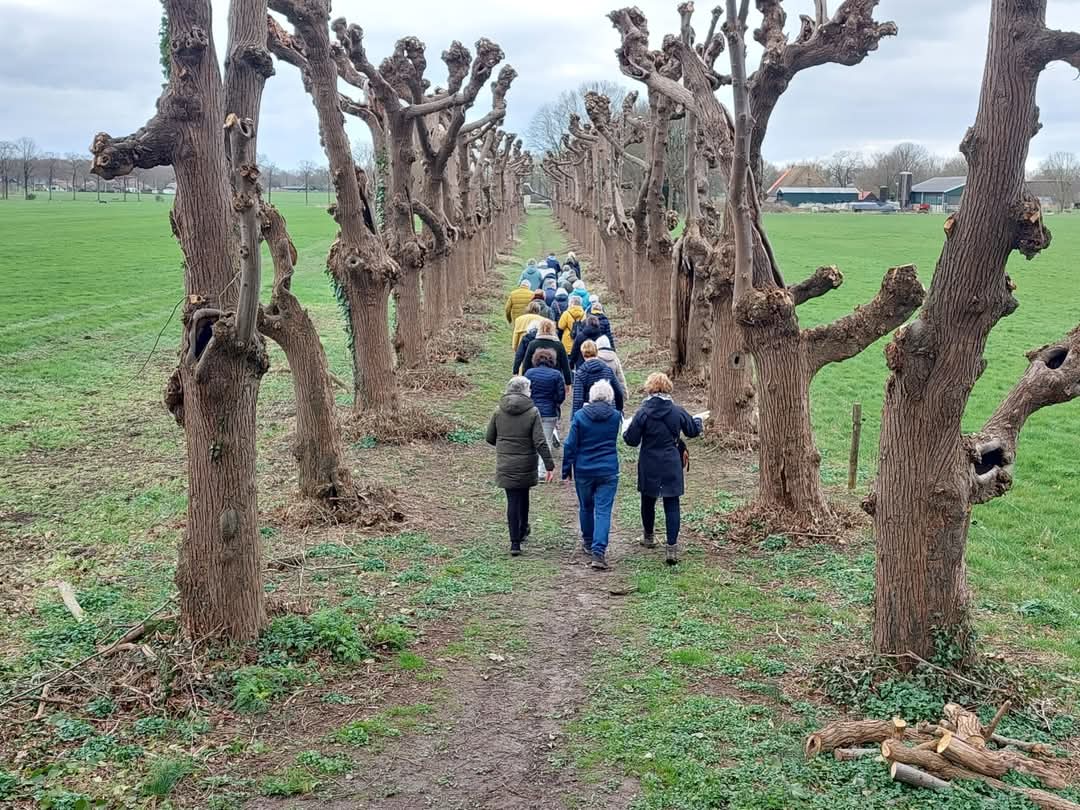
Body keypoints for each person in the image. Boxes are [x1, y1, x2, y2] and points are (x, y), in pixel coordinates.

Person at [623, 373, 703, 565]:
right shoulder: (677, 411)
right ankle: (672, 548)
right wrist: (699, 421)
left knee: (647, 500)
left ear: (649, 389)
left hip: (649, 460)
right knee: (672, 503)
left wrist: (625, 429)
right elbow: (693, 430)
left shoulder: (643, 412)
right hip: (671, 461)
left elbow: (631, 440)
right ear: (668, 388)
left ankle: (648, 537)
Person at [486, 376, 555, 556]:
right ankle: (523, 529)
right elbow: (540, 441)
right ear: (525, 391)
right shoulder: (532, 412)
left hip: (506, 463)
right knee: (523, 495)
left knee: (512, 500)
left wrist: (504, 446)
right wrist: (549, 465)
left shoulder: (498, 411)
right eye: (529, 389)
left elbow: (489, 437)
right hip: (526, 462)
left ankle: (514, 542)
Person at [562, 379, 621, 570]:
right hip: (608, 470)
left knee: (586, 507)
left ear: (591, 396)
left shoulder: (579, 416)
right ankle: (599, 551)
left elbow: (570, 444)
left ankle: (588, 541)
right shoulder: (615, 417)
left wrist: (566, 468)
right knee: (603, 510)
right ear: (610, 397)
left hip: (584, 469)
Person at [525, 349, 565, 480]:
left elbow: (525, 393)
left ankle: (530, 469)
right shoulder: (557, 375)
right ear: (552, 361)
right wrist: (554, 402)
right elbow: (561, 396)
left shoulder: (529, 373)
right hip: (549, 412)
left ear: (536, 360)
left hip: (531, 411)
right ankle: (542, 472)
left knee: (531, 440)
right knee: (546, 440)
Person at [572, 340, 624, 415]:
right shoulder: (607, 370)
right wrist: (619, 410)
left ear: (583, 354)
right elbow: (618, 392)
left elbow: (578, 400)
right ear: (597, 352)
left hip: (588, 413)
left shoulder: (581, 373)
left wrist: (575, 419)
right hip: (609, 410)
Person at [518, 318, 572, 383]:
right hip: (554, 379)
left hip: (535, 378)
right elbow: (565, 366)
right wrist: (568, 382)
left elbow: (526, 365)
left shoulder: (533, 344)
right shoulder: (559, 345)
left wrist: (524, 379)